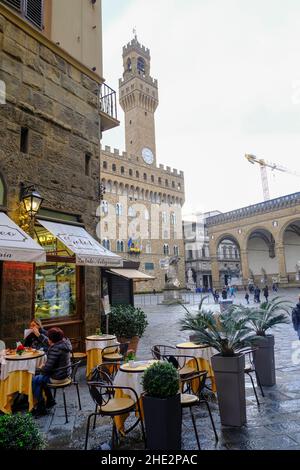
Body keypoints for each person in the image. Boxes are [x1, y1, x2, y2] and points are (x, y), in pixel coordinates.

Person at [32, 327, 72, 416]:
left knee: (35, 379)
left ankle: (41, 407)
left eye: (49, 337)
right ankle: (50, 400)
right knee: (41, 378)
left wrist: (40, 368)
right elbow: (49, 343)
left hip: (58, 377)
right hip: (65, 374)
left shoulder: (56, 349)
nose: (48, 339)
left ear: (52, 340)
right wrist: (39, 335)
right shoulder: (64, 343)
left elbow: (47, 369)